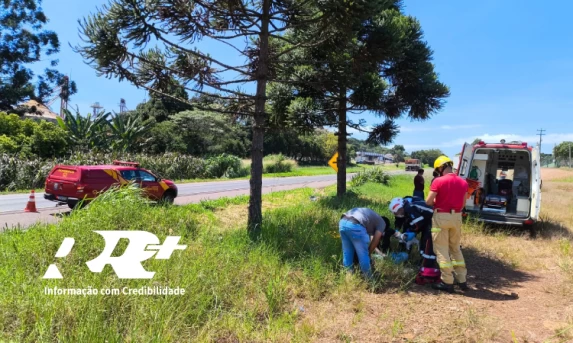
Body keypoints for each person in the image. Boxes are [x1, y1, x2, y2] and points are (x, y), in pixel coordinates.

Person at [426, 155, 470, 293]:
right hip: (456, 217)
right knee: (455, 248)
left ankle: (447, 281)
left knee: (441, 249)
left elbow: (428, 201)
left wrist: (438, 202)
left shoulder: (438, 181)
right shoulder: (463, 183)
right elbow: (463, 204)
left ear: (440, 168)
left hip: (441, 216)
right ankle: (462, 280)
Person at [340, 208, 410, 278]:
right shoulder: (381, 223)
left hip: (343, 222)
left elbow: (397, 234)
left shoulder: (372, 222)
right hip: (356, 224)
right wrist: (368, 254)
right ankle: (369, 279)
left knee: (347, 252)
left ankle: (348, 276)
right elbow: (375, 241)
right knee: (363, 255)